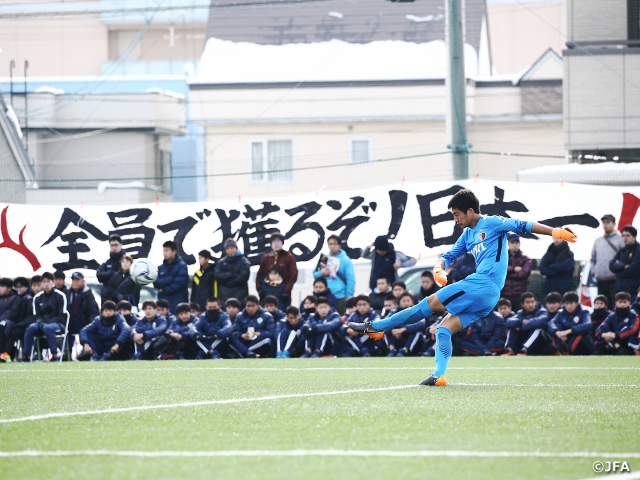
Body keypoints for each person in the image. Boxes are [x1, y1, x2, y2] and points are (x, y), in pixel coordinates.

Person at [348, 188, 578, 386]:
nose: (455, 220)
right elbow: (449, 255)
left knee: (427, 304)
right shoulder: (467, 234)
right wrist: (439, 269)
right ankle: (439, 376)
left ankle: (376, 327)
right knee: (442, 330)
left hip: (483, 285)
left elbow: (522, 224)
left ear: (470, 211)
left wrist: (554, 231)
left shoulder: (492, 222)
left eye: (457, 214)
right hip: (487, 298)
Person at [22, 272, 68, 362]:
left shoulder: (61, 296)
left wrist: (47, 323)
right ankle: (26, 356)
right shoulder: (37, 297)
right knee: (30, 328)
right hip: (42, 324)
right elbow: (36, 315)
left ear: (53, 282)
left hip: (58, 324)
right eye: (44, 282)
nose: (46, 284)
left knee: (48, 328)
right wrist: (42, 322)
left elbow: (61, 315)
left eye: (48, 281)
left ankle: (55, 355)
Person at [313, 235, 355, 314]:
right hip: (325, 295)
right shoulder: (324, 259)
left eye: (335, 244)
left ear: (339, 246)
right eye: (330, 244)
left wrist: (349, 296)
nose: (332, 246)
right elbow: (315, 274)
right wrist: (321, 273)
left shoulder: (346, 260)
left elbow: (350, 279)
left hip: (340, 296)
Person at [1, 277, 38, 362]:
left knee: (19, 332)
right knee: (10, 330)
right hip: (20, 324)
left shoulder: (29, 298)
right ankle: (6, 354)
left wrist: (18, 324)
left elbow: (31, 316)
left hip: (28, 324)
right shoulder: (17, 297)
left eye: (20, 287)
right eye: (16, 287)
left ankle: (22, 355)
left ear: (26, 287)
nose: (18, 289)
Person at [256, 233, 298, 308]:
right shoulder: (266, 258)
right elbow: (259, 275)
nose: (276, 244)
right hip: (267, 291)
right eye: (274, 242)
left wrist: (286, 290)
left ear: (282, 243)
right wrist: (259, 289)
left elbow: (293, 276)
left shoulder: (288, 257)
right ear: (271, 244)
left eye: (278, 241)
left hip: (283, 293)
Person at [502, 292, 550, 356]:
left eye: (532, 302)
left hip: (539, 344)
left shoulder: (543, 311)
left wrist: (521, 327)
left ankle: (524, 350)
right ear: (522, 304)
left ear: (535, 302)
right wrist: (521, 321)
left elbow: (540, 322)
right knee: (513, 327)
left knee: (537, 329)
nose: (531, 304)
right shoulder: (520, 313)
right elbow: (508, 322)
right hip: (523, 341)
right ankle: (509, 350)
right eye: (527, 302)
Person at [591, 214, 624, 307]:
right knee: (601, 306)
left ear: (614, 224)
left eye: (608, 222)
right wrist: (594, 272)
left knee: (613, 306)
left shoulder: (620, 239)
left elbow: (624, 257)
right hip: (600, 280)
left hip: (614, 280)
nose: (605, 225)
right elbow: (593, 259)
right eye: (604, 222)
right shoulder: (598, 241)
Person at [154, 240, 189, 314]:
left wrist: (163, 290)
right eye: (164, 250)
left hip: (178, 303)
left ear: (174, 252)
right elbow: (156, 282)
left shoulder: (182, 266)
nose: (164, 253)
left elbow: (179, 284)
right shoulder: (160, 268)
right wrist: (170, 279)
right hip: (163, 305)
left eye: (167, 250)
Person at [385, 292, 425, 357]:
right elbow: (385, 323)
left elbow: (421, 324)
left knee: (417, 331)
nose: (406, 303)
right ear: (399, 302)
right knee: (386, 329)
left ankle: (405, 350)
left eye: (408, 301)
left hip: (411, 339)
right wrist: (393, 331)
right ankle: (392, 350)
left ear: (412, 302)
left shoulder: (417, 311)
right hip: (397, 337)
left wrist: (404, 329)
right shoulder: (393, 311)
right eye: (404, 301)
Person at [215, 239, 251, 307]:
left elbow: (243, 277)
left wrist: (229, 282)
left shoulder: (244, 262)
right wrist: (231, 274)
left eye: (232, 248)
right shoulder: (221, 262)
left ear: (236, 248)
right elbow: (217, 275)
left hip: (240, 297)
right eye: (228, 248)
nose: (230, 250)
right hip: (224, 298)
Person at [501, 234, 532, 311]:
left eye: (516, 242)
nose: (515, 245)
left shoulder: (525, 258)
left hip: (519, 294)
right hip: (504, 294)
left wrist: (507, 275)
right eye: (512, 242)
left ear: (519, 244)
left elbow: (525, 273)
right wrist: (514, 269)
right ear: (508, 244)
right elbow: (499, 270)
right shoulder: (502, 257)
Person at [66, 272, 99, 338]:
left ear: (83, 281)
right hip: (69, 325)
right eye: (73, 280)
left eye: (77, 280)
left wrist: (90, 325)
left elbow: (93, 310)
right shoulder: (66, 292)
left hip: (84, 324)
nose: (75, 282)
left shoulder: (88, 293)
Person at [609, 225, 640, 296]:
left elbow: (633, 269)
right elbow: (611, 265)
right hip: (619, 289)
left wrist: (618, 271)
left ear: (634, 237)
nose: (625, 238)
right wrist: (624, 266)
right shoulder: (621, 250)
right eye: (623, 236)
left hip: (632, 291)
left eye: (627, 235)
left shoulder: (638, 250)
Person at [0, 278, 21, 362]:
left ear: (9, 288)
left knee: (2, 324)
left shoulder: (15, 298)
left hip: (11, 322)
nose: (0, 288)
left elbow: (13, 312)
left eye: (2, 286)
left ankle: (3, 353)